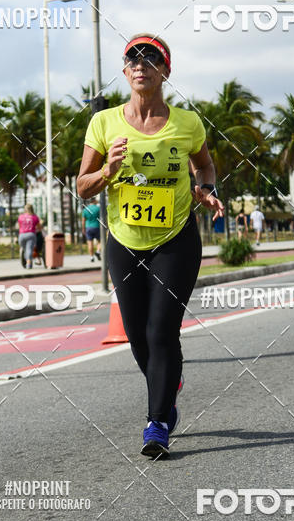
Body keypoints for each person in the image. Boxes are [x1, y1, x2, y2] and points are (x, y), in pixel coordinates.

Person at [77, 33, 224, 459]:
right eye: (132, 59)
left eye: (150, 59)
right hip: (124, 242)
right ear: (125, 72)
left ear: (165, 71)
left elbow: (204, 165)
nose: (140, 65)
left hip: (175, 239)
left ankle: (157, 423)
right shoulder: (103, 123)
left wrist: (206, 189)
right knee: (138, 337)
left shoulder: (187, 123)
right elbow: (83, 186)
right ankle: (168, 383)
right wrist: (107, 171)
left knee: (162, 331)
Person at [17, 204, 41, 270]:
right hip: (31, 234)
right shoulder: (35, 217)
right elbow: (39, 227)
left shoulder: (21, 217)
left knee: (25, 249)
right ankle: (28, 263)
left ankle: (27, 259)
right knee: (29, 249)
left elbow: (19, 226)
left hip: (21, 235)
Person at [82, 197, 101, 261]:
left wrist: (83, 229)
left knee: (90, 242)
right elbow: (102, 218)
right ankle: (98, 251)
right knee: (100, 241)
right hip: (97, 227)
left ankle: (91, 257)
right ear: (94, 201)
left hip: (88, 228)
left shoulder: (85, 209)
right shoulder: (98, 208)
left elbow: (83, 221)